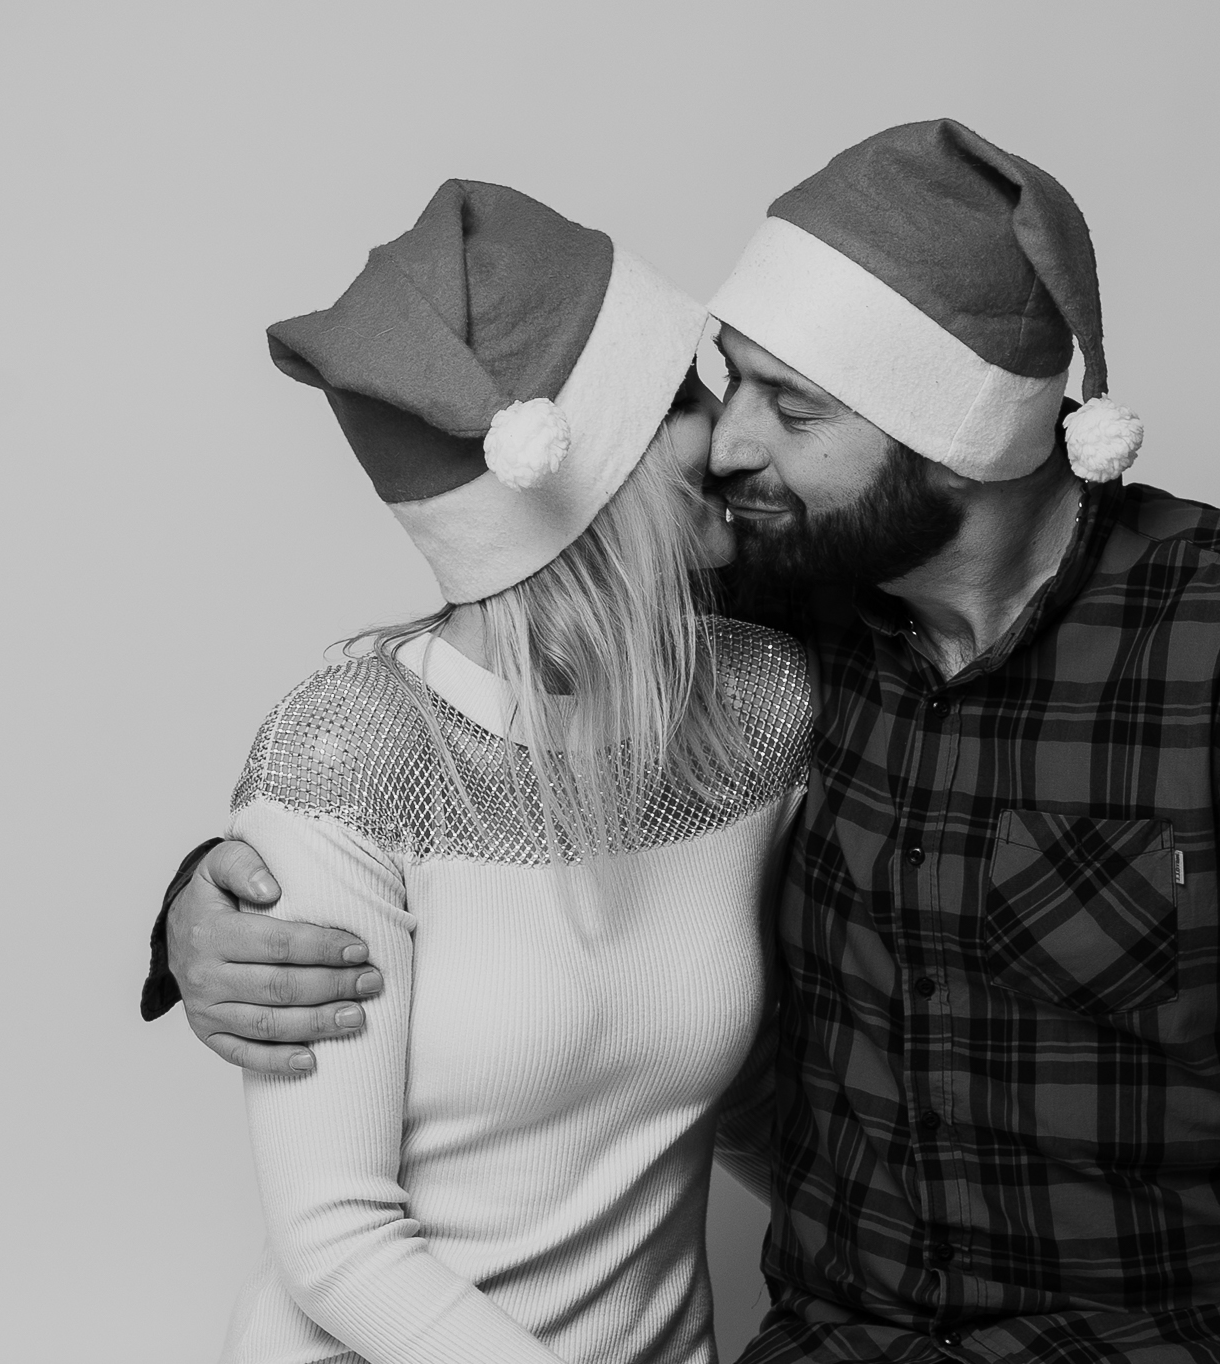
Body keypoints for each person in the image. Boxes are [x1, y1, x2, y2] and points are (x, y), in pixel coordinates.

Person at [151, 122, 1220, 1363]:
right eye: (728, 383)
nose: (728, 449)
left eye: (794, 407)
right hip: (844, 1335)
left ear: (953, 437)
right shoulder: (778, 624)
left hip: (1169, 1335)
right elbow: (503, 681)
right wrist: (207, 905)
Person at [194, 179, 812, 1364]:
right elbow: (335, 1241)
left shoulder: (763, 705)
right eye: (685, 399)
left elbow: (737, 1089)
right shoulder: (349, 756)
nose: (734, 435)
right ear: (591, 462)